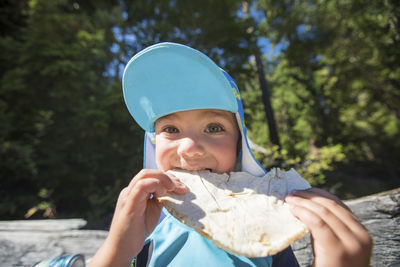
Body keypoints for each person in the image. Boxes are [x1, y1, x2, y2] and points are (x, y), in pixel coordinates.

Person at [89, 43, 372, 267]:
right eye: (171, 128)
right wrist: (114, 255)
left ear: (240, 148)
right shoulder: (141, 233)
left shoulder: (269, 235)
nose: (188, 148)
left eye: (214, 127)